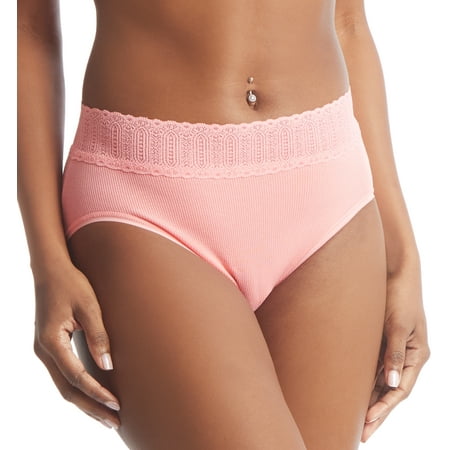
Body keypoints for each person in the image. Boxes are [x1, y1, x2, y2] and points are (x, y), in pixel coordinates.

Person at [17, 0, 430, 449]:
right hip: (145, 203)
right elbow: (31, 30)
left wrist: (402, 258)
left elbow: (348, 22)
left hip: (331, 195)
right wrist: (47, 261)